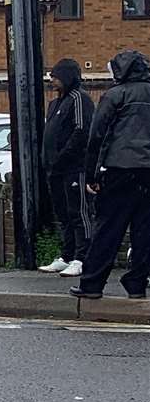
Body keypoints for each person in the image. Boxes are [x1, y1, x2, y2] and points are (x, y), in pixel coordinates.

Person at [70, 49, 150, 300]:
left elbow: (97, 137)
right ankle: (136, 284)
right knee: (144, 232)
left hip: (120, 171)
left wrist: (91, 175)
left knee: (108, 230)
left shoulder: (115, 96)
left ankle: (92, 284)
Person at [40, 57, 95, 277]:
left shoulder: (79, 99)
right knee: (63, 214)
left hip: (74, 167)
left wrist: (63, 156)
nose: (52, 80)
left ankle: (83, 257)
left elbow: (81, 131)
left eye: (56, 76)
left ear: (68, 77)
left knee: (78, 213)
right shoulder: (55, 103)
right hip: (55, 169)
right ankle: (67, 255)